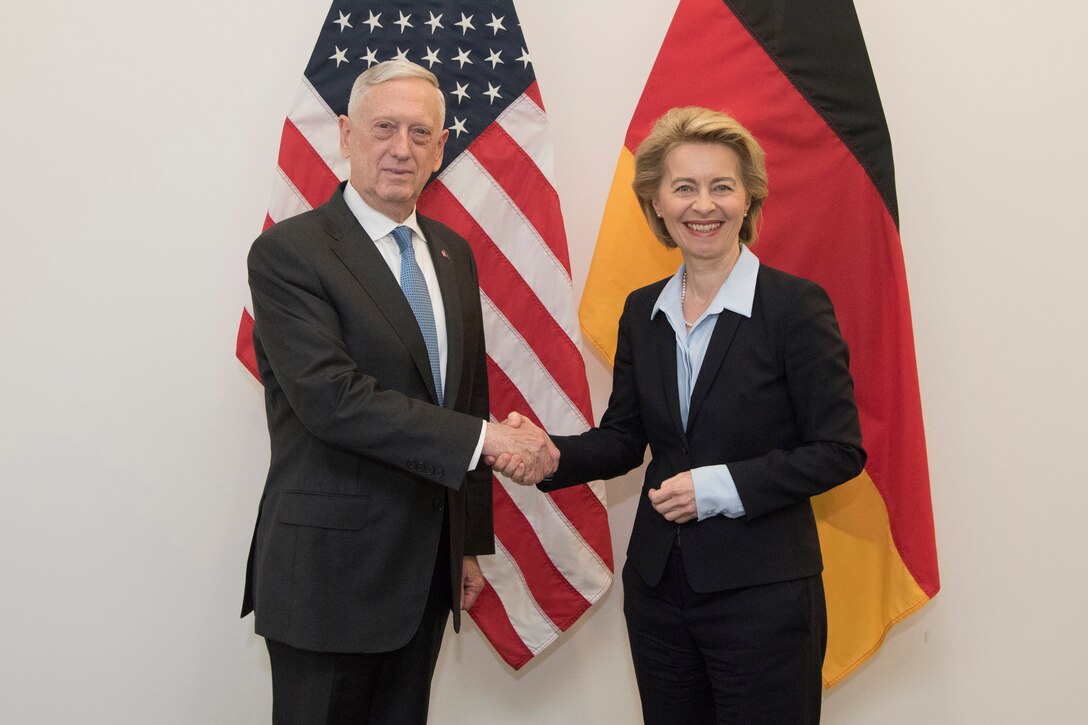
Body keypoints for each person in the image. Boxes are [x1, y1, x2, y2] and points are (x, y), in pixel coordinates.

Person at [493, 106, 865, 724]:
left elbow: (839, 450)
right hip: (659, 593)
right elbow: (624, 439)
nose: (705, 205)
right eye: (684, 187)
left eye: (722, 186)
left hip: (764, 596)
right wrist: (553, 455)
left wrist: (716, 489)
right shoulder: (644, 311)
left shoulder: (795, 307)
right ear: (657, 204)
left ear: (749, 200)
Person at [242, 59, 557, 725]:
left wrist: (467, 538)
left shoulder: (451, 252)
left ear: (442, 148)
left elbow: (464, 396)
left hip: (424, 576)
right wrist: (490, 439)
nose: (401, 148)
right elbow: (334, 400)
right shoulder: (288, 253)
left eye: (421, 133)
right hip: (328, 578)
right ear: (347, 135)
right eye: (385, 127)